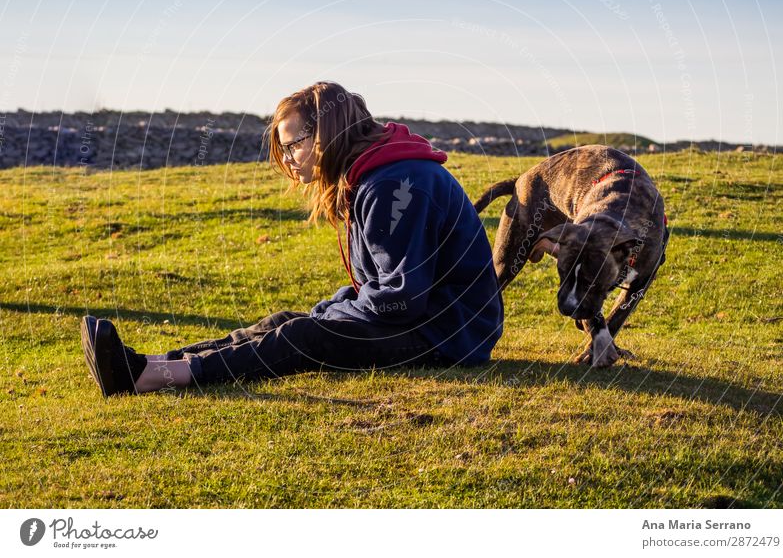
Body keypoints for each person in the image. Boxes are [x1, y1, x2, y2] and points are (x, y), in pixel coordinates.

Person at [80, 81, 504, 397]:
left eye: (292, 145)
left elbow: (398, 299)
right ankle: (149, 365)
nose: (286, 158)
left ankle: (153, 377)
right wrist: (337, 306)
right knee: (284, 321)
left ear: (324, 135)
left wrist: (334, 315)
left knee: (304, 336)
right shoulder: (374, 177)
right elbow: (382, 289)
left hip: (448, 337)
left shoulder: (395, 185)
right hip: (427, 323)